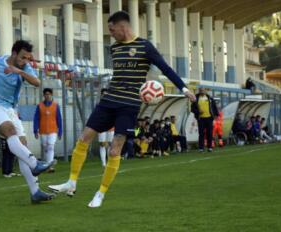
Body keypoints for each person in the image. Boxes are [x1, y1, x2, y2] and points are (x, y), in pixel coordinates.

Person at [48, 11, 196, 208]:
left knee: (114, 150)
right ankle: (71, 182)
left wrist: (184, 89)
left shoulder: (144, 46)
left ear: (122, 27)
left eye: (112, 29)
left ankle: (100, 194)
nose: (111, 34)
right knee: (83, 138)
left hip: (129, 105)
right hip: (109, 100)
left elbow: (166, 68)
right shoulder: (115, 48)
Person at [0, 40, 55, 203]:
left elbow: (37, 83)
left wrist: (18, 70)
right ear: (14, 53)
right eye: (22, 57)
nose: (25, 61)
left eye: (27, 58)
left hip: (10, 109)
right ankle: (35, 164)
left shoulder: (25, 68)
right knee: (10, 131)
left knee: (22, 146)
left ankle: (35, 193)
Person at [33, 88, 62, 173]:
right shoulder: (40, 106)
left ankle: (49, 166)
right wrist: (35, 130)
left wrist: (60, 130)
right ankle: (47, 165)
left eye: (49, 94)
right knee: (45, 148)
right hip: (43, 130)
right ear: (44, 95)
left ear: (51, 95)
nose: (47, 96)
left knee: (50, 146)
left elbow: (59, 119)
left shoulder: (56, 105)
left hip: (53, 130)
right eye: (46, 94)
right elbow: (36, 118)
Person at [191, 88, 219, 152]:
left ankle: (210, 147)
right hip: (201, 118)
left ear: (206, 91)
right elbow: (192, 109)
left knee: (209, 133)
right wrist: (198, 112)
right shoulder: (196, 99)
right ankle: (201, 148)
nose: (202, 91)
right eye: (201, 90)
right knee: (201, 133)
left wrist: (216, 115)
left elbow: (214, 107)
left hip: (209, 118)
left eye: (203, 90)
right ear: (199, 91)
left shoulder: (210, 98)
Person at [97, 88, 115, 167]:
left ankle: (108, 162)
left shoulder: (112, 104)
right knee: (102, 144)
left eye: (106, 94)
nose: (105, 95)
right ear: (101, 95)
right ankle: (104, 164)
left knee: (110, 144)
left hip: (111, 126)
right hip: (102, 126)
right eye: (103, 94)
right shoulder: (99, 104)